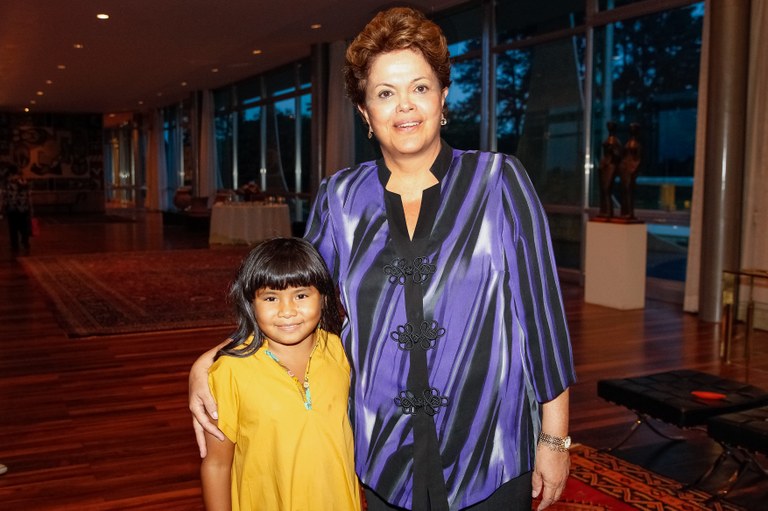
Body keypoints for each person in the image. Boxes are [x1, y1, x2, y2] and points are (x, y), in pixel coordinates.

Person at [191, 7, 576, 511]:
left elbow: (541, 318)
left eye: (419, 87)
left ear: (443, 98)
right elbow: (302, 298)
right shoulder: (341, 198)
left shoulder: (499, 182)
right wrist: (215, 356)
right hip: (379, 454)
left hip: (489, 449)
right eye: (385, 93)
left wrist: (555, 440)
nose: (405, 107)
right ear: (365, 112)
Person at [200, 237, 361, 511]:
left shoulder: (340, 351)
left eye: (301, 295)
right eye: (271, 298)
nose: (287, 311)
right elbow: (216, 463)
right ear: (251, 303)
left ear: (323, 298)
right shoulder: (231, 371)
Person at [1, 164, 33, 254]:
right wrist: (31, 208)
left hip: (12, 208)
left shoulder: (7, 183)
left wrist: (3, 208)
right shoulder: (24, 181)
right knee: (24, 227)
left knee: (13, 228)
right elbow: (29, 196)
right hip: (23, 208)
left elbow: (5, 196)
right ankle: (25, 242)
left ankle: (15, 245)